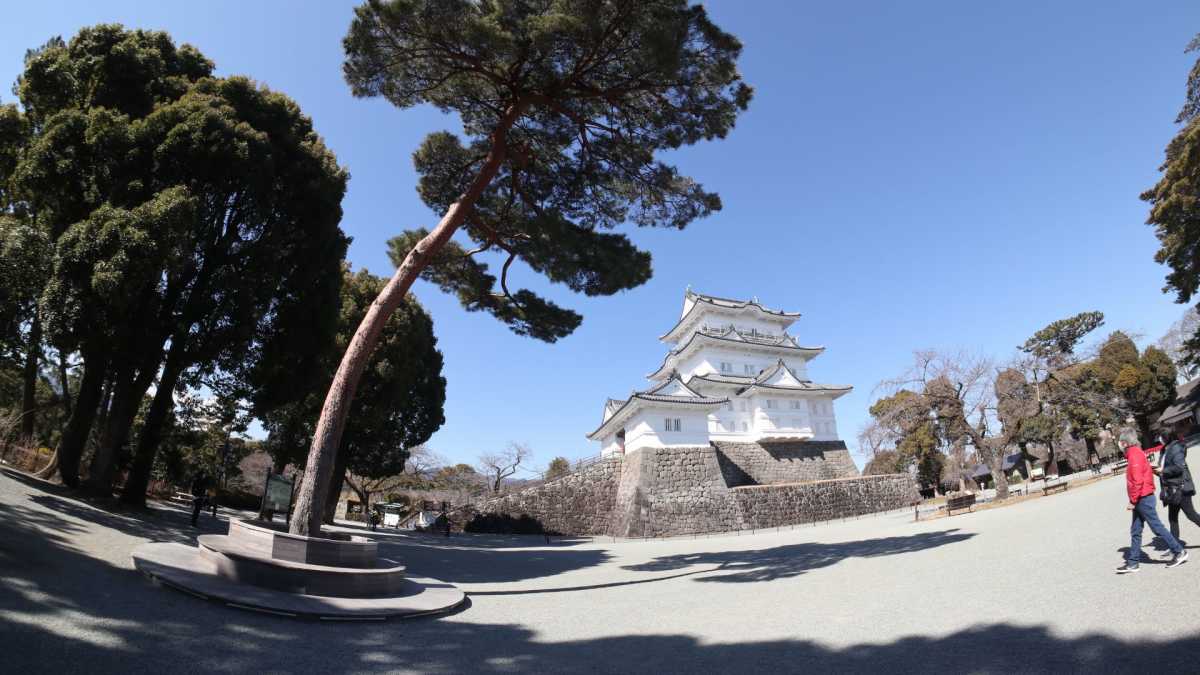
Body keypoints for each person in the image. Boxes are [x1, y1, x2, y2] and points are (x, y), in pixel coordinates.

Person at [1118, 431, 1187, 573]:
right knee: (1136, 530)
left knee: (1157, 527)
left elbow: (1137, 481)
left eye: (1120, 442)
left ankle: (1179, 551)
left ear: (1124, 443)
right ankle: (1133, 563)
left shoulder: (1135, 455)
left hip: (1143, 498)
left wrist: (1133, 501)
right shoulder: (1134, 453)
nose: (1119, 444)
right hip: (1141, 498)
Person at [1154, 420, 1200, 545]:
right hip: (1172, 488)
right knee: (1172, 518)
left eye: (1160, 436)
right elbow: (1165, 467)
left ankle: (1176, 547)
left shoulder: (1176, 448)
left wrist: (1163, 470)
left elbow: (1179, 467)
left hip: (1181, 487)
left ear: (1166, 437)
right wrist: (1157, 471)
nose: (1159, 439)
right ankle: (1176, 547)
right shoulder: (1164, 450)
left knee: (1191, 515)